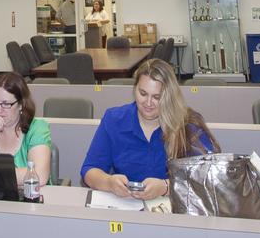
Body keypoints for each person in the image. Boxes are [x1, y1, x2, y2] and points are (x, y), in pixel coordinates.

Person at [81, 58, 216, 200]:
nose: (148, 103)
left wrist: (166, 187)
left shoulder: (188, 124)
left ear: (169, 97)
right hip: (127, 206)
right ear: (135, 89)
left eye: (157, 97)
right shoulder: (114, 120)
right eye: (143, 94)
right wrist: (109, 183)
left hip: (173, 208)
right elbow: (89, 170)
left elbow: (209, 176)